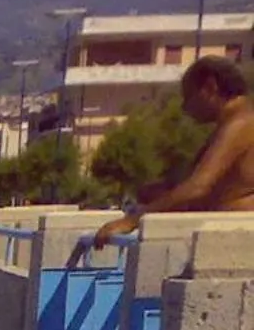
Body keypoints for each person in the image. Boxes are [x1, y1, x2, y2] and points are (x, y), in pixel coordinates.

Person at [97, 58, 254, 247]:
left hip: (238, 241)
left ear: (210, 88)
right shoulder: (231, 124)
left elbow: (198, 187)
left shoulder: (241, 123)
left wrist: (133, 220)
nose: (184, 107)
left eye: (189, 96)